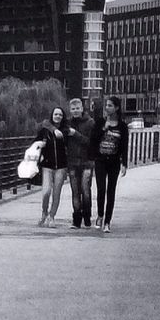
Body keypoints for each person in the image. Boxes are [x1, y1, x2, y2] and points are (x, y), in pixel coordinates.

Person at [93, 96, 129, 232]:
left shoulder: (122, 126)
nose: (107, 108)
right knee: (101, 189)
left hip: (114, 162)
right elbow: (94, 139)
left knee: (111, 191)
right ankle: (100, 215)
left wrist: (124, 164)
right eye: (106, 105)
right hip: (101, 160)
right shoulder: (100, 122)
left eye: (109, 105)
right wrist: (103, 129)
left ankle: (107, 221)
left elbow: (124, 146)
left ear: (116, 108)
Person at [34, 106, 70, 227]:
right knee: (46, 191)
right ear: (52, 116)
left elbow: (70, 145)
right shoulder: (45, 130)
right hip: (47, 165)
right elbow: (35, 144)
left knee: (56, 193)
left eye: (60, 115)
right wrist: (41, 144)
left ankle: (52, 216)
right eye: (56, 114)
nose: (58, 116)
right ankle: (44, 212)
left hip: (61, 166)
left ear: (63, 117)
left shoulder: (66, 130)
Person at [65, 98, 96, 229]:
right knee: (75, 192)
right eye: (73, 109)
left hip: (86, 162)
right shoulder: (67, 124)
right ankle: (76, 219)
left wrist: (75, 134)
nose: (75, 111)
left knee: (86, 191)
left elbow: (91, 142)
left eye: (78, 108)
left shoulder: (90, 123)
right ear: (70, 110)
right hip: (72, 162)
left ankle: (87, 217)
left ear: (82, 109)